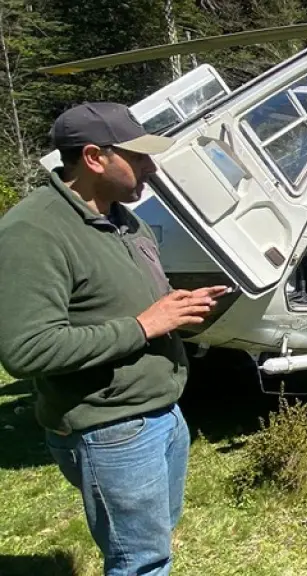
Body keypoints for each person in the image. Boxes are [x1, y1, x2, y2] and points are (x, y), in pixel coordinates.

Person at [0, 102, 228, 576]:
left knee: (154, 543)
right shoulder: (33, 231)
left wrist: (177, 307)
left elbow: (133, 302)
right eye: (138, 157)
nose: (150, 166)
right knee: (140, 562)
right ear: (94, 158)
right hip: (110, 428)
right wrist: (145, 326)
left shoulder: (127, 220)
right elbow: (25, 348)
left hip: (162, 414)